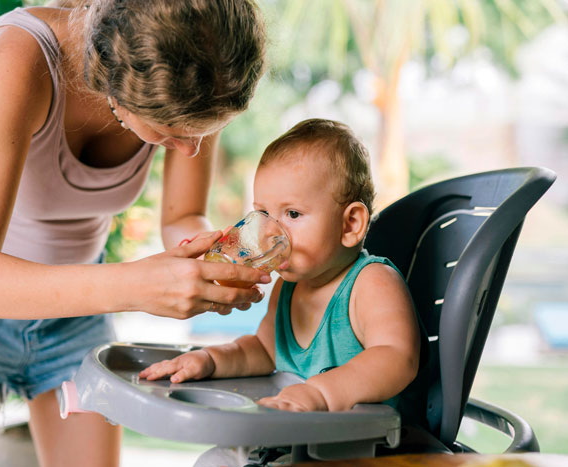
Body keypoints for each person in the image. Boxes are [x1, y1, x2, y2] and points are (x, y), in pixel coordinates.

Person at [0, 1, 268, 466]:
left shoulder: (200, 74)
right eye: (167, 132)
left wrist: (213, 258)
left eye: (205, 131)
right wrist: (137, 286)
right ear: (114, 80)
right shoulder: (20, 60)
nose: (191, 147)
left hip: (76, 303)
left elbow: (183, 217)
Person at [139, 118, 421, 466]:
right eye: (262, 213)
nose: (271, 232)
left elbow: (397, 357)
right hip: (290, 442)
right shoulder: (289, 288)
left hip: (354, 449)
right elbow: (261, 350)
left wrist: (319, 394)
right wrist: (210, 360)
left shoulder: (371, 283)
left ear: (350, 224)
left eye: (292, 213)